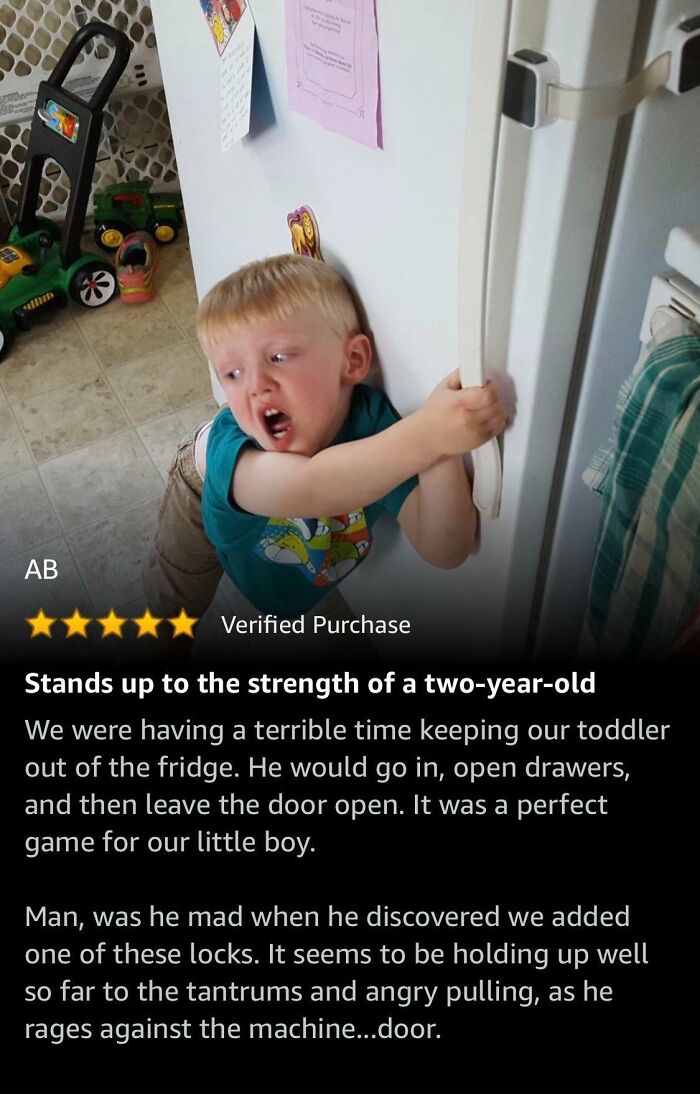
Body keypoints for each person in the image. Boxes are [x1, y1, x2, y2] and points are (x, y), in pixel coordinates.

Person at [144, 254, 506, 623]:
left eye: (279, 356)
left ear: (352, 360)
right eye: (233, 373)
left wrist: (442, 448)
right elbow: (309, 487)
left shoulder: (376, 427)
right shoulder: (235, 450)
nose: (256, 386)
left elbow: (445, 548)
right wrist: (427, 434)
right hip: (200, 488)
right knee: (171, 607)